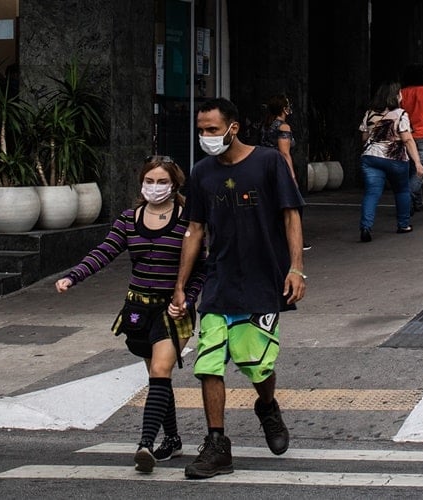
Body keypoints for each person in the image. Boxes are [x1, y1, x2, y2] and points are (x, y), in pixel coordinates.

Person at [170, 97, 306, 479]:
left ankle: (267, 406)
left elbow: (290, 215)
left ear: (233, 127)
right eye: (201, 130)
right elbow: (195, 230)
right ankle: (217, 445)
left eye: (212, 129)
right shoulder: (201, 173)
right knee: (208, 363)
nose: (206, 137)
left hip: (264, 281)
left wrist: (297, 268)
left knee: (255, 364)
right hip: (219, 281)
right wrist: (181, 287)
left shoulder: (268, 162)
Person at [54, 155, 205, 473]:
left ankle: (145, 445)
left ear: (174, 184)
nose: (155, 187)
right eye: (149, 181)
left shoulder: (187, 219)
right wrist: (73, 276)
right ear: (141, 183)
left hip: (171, 309)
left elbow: (201, 267)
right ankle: (173, 439)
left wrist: (188, 300)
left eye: (162, 181)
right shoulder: (129, 218)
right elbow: (104, 251)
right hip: (138, 308)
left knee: (161, 371)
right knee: (157, 375)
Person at [357, 81, 423, 242]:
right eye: (399, 93)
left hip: (371, 158)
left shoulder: (370, 113)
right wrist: (417, 162)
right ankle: (403, 224)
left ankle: (365, 227)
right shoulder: (400, 114)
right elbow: (407, 140)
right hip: (395, 159)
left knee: (372, 193)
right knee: (401, 190)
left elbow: (364, 137)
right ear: (395, 96)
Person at [260, 93, 310, 250]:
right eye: (288, 105)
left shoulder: (266, 124)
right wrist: (292, 175)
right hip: (278, 168)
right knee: (293, 204)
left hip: (264, 166)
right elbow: (285, 152)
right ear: (284, 109)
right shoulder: (283, 127)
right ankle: (295, 240)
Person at [399, 63, 423, 213]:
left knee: (411, 171)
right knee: (419, 172)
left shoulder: (402, 92)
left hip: (406, 135)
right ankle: (406, 198)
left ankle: (418, 202)